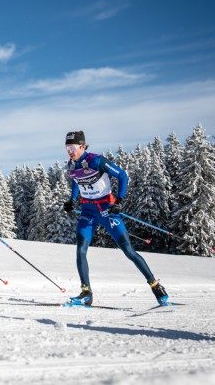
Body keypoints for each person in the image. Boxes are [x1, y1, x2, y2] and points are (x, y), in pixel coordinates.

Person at [62, 131, 169, 306]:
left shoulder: (96, 160)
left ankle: (155, 285)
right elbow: (76, 181)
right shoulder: (72, 165)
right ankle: (86, 293)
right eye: (67, 148)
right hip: (88, 211)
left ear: (82, 146)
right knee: (81, 249)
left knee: (128, 251)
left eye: (72, 147)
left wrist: (119, 200)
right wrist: (72, 200)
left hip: (106, 210)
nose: (70, 151)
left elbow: (122, 175)